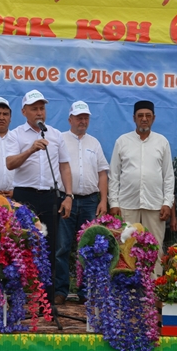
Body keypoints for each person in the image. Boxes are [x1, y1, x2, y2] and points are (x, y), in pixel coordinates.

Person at [6, 89, 73, 304]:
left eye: (42, 108)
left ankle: (47, 300)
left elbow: (64, 166)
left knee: (49, 247)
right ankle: (17, 299)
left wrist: (68, 195)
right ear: (24, 111)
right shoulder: (16, 134)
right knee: (20, 246)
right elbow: (10, 164)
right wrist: (30, 150)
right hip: (24, 197)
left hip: (50, 198)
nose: (39, 112)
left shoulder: (55, 134)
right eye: (34, 108)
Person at [108, 100, 174, 276]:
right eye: (140, 116)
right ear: (134, 118)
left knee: (155, 249)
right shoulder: (122, 141)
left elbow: (168, 176)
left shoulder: (162, 142)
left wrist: (167, 202)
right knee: (126, 248)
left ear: (153, 118)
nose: (144, 119)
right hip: (127, 205)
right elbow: (114, 175)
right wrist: (114, 202)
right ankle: (127, 292)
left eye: (148, 116)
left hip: (155, 205)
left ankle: (154, 291)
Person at [54, 101, 109, 305]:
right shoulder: (59, 139)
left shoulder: (94, 143)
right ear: (70, 119)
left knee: (88, 248)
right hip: (65, 200)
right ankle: (60, 291)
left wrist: (103, 200)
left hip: (90, 202)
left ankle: (86, 291)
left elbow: (102, 173)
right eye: (78, 117)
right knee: (62, 247)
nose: (82, 121)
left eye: (85, 117)